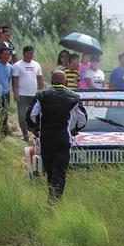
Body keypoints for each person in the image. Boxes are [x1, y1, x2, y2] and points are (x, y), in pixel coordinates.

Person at [26, 70, 88, 199]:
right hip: (63, 139)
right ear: (66, 82)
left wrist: (34, 128)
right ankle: (55, 200)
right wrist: (76, 129)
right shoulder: (74, 97)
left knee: (50, 171)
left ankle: (52, 198)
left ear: (51, 81)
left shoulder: (42, 94)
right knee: (59, 171)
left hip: (46, 139)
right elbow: (83, 119)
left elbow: (31, 115)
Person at [12, 45, 44, 142]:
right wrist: (15, 93)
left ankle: (36, 134)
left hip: (34, 94)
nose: (31, 55)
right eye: (29, 53)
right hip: (22, 95)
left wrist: (42, 91)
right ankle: (25, 134)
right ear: (24, 53)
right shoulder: (17, 65)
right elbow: (15, 81)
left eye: (32, 53)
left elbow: (39, 79)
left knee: (35, 115)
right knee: (22, 116)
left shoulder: (36, 64)